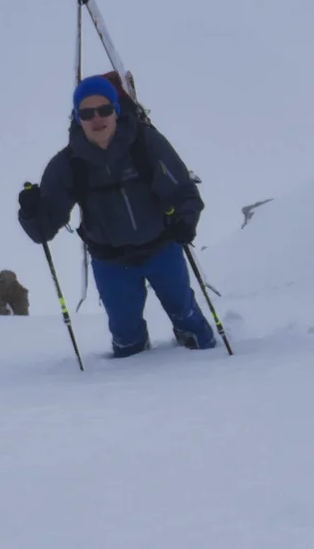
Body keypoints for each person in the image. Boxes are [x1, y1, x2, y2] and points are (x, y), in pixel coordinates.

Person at [16, 75, 216, 357]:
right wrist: (30, 211)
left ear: (116, 110)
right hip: (111, 261)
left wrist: (186, 223)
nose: (97, 119)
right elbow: (42, 230)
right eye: (87, 113)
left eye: (104, 110)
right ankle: (125, 390)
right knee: (126, 340)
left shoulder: (145, 144)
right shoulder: (68, 164)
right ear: (78, 117)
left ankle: (210, 363)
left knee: (188, 317)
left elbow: (182, 190)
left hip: (162, 248)